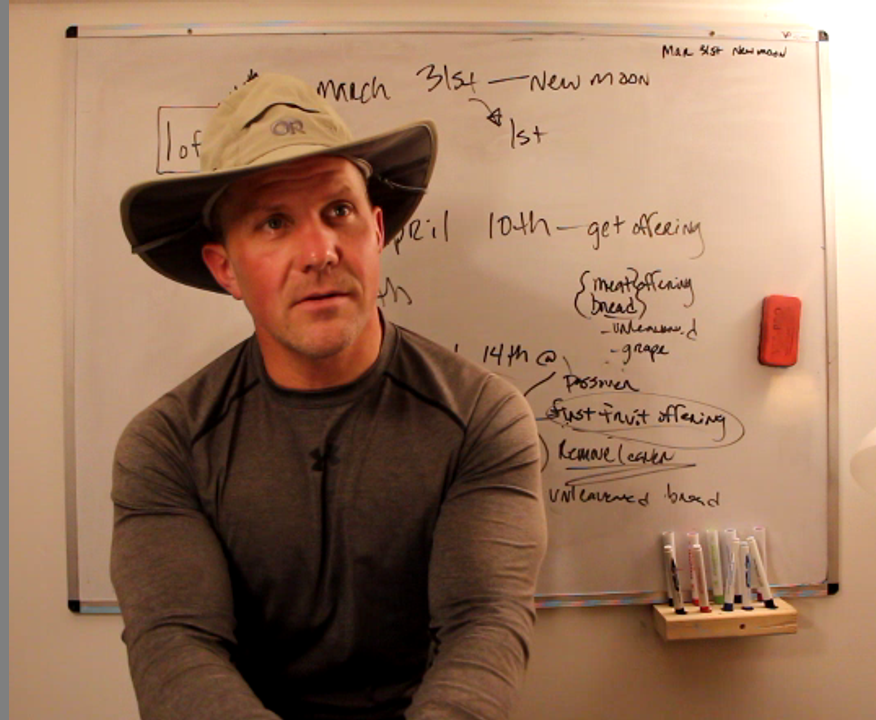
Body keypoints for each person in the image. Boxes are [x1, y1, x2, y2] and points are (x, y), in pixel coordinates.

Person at [110, 73, 548, 720]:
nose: (319, 252)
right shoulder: (166, 445)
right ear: (226, 268)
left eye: (338, 211)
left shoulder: (482, 417)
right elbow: (175, 646)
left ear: (377, 231)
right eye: (274, 222)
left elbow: (483, 624)